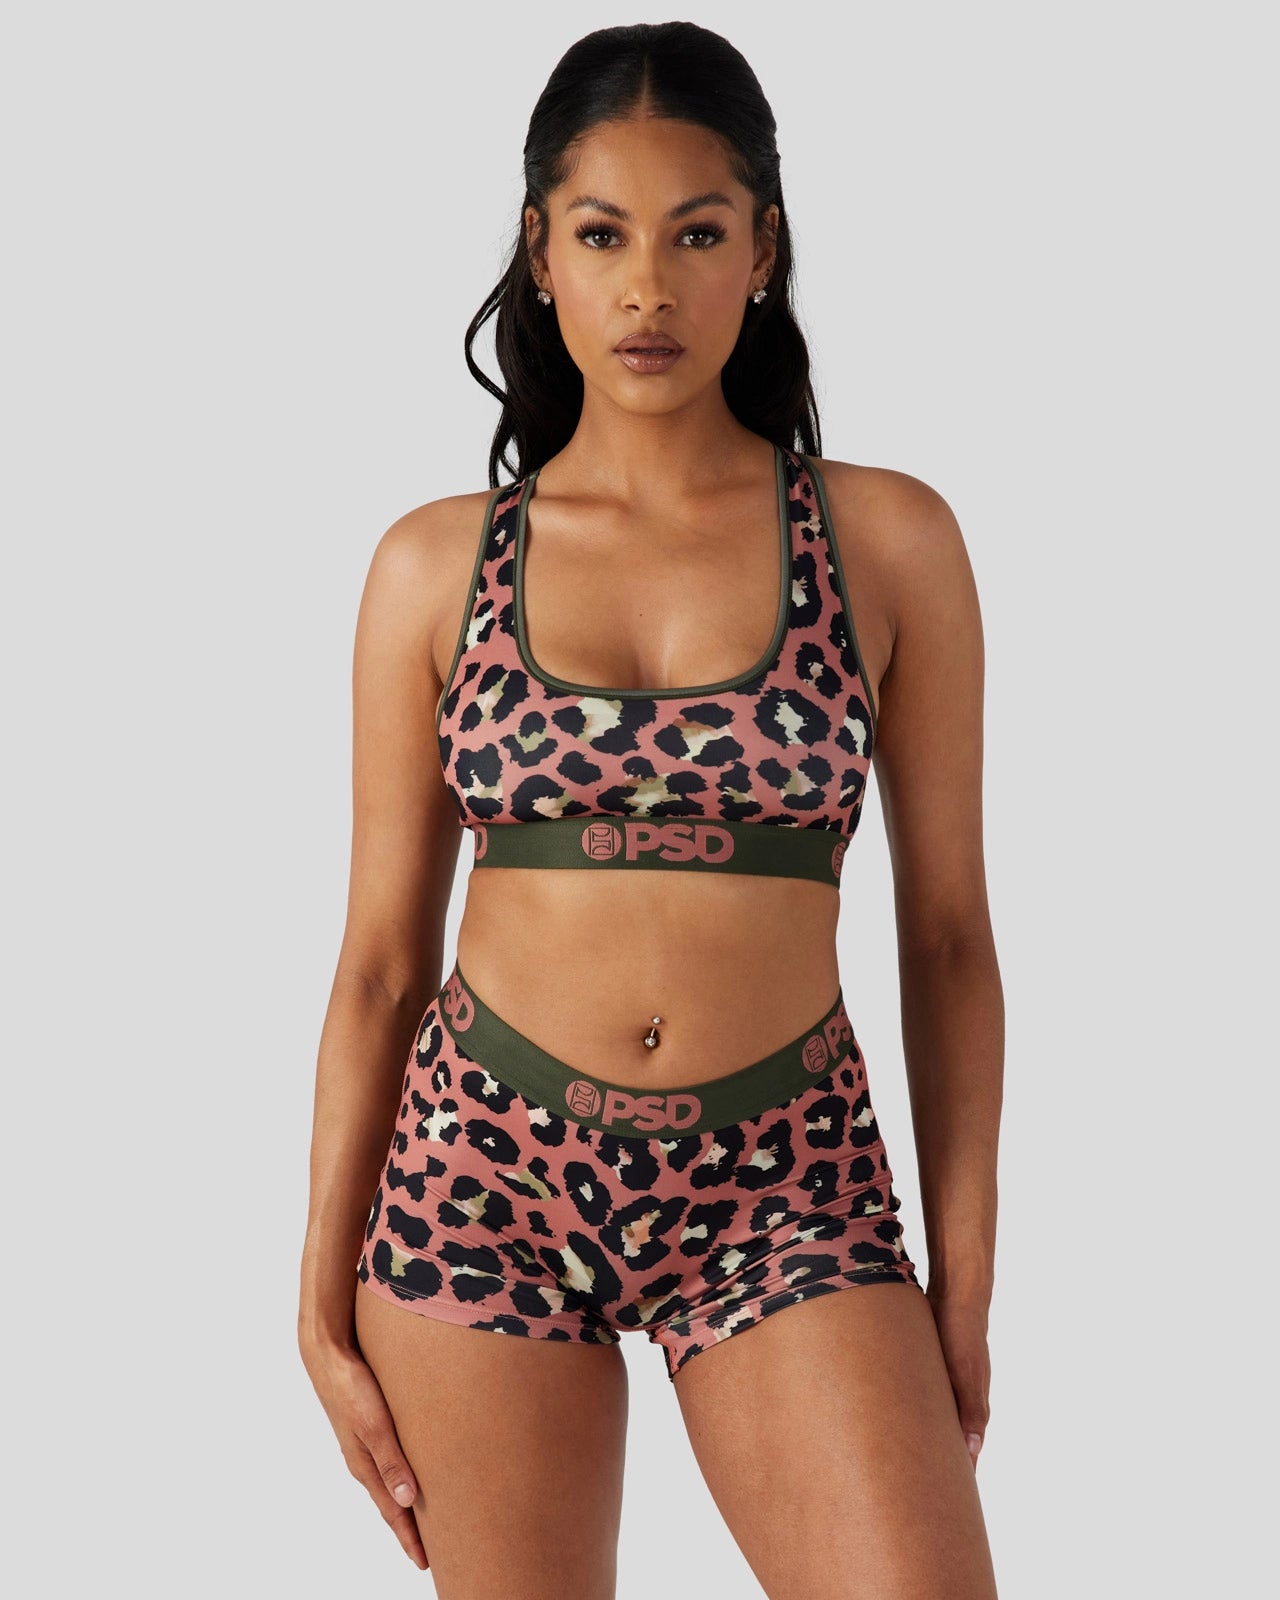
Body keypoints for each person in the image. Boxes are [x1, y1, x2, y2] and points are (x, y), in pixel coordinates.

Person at [298, 20, 1002, 1599]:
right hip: (481, 1178)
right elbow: (379, 964)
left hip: (789, 1182)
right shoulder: (433, 565)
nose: (647, 289)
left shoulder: (889, 543)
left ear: (764, 251)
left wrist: (962, 1287)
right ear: (540, 253)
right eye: (603, 234)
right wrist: (317, 1298)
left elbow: (951, 938)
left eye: (696, 233)